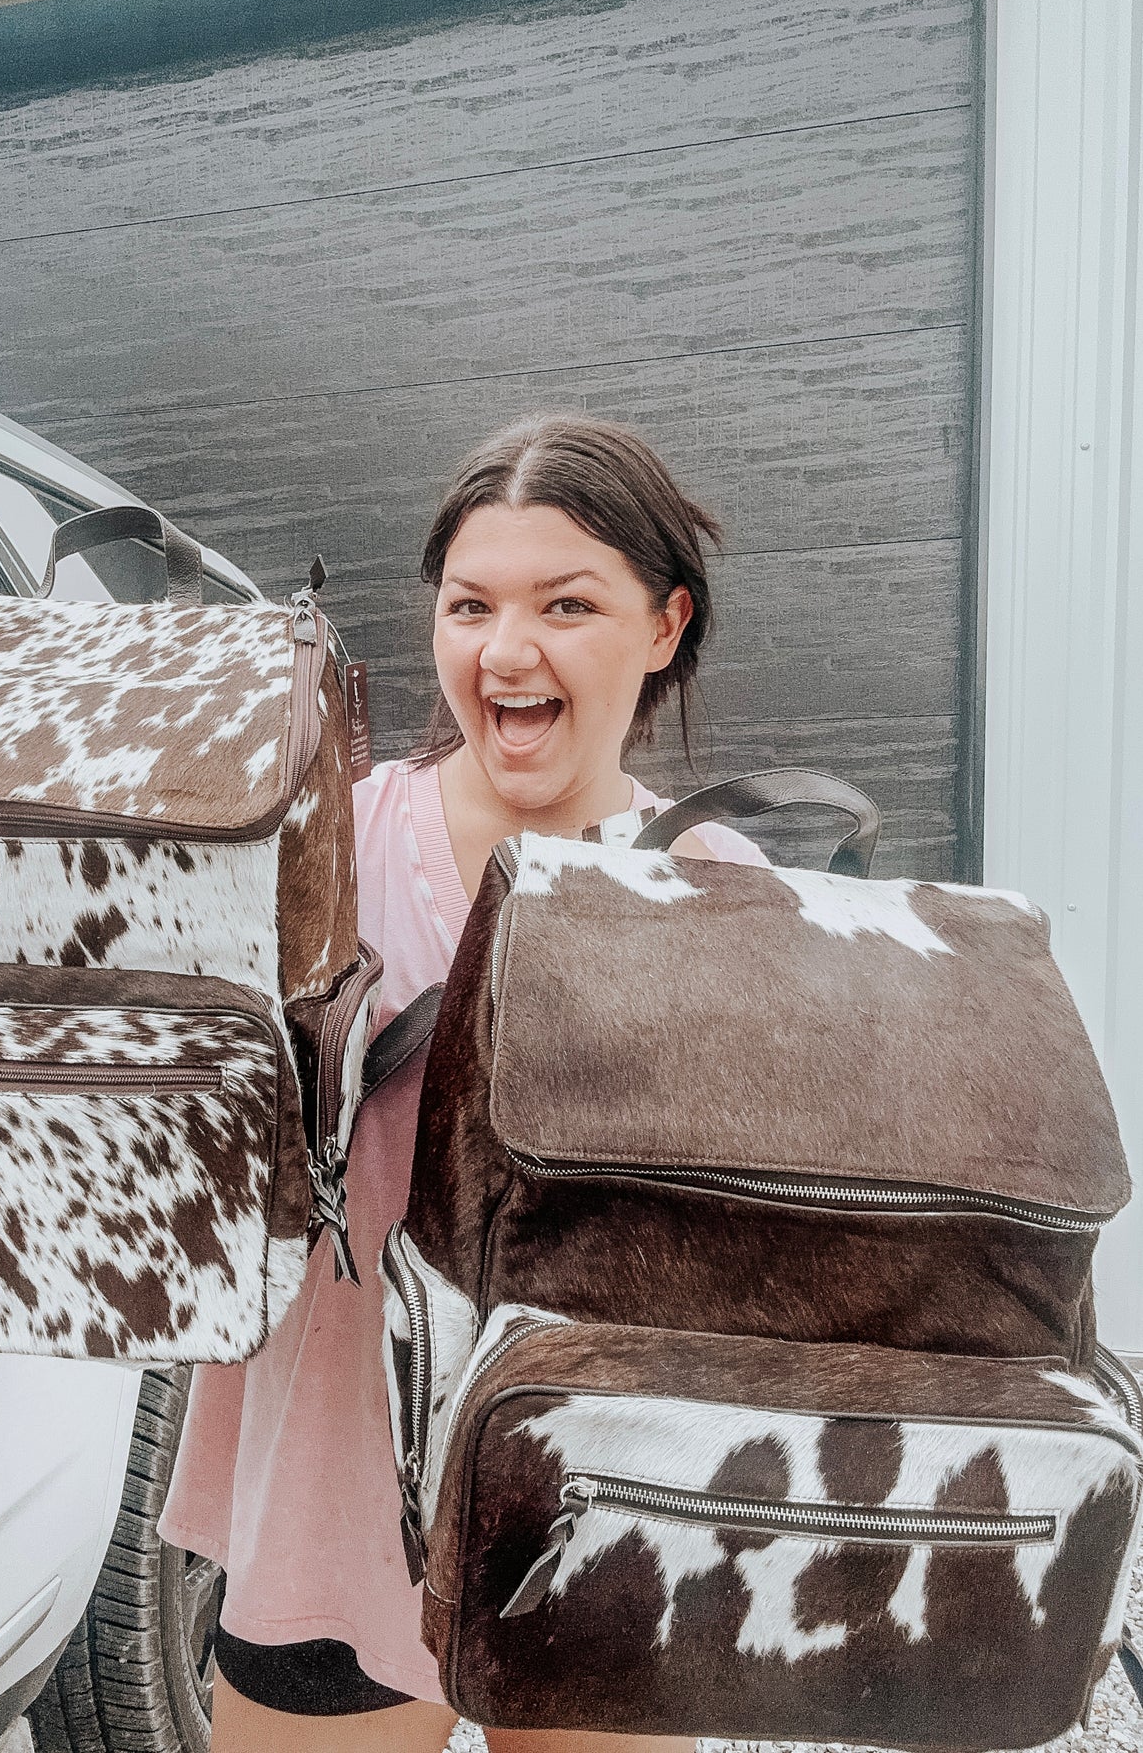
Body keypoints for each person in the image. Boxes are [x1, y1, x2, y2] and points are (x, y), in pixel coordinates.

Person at [159, 413, 770, 1752]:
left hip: (609, 1500)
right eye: (469, 604)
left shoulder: (727, 894)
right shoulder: (319, 849)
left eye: (567, 604)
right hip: (337, 1485)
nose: (504, 650)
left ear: (663, 626)